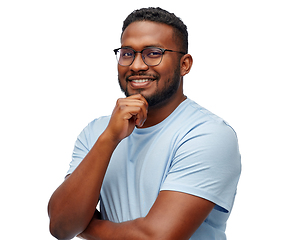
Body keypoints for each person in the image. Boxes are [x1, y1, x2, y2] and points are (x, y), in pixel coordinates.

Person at [48, 7, 241, 240]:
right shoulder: (97, 132)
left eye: (153, 53)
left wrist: (85, 227)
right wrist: (109, 139)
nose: (136, 65)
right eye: (127, 53)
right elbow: (60, 226)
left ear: (185, 65)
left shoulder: (207, 134)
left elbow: (156, 237)